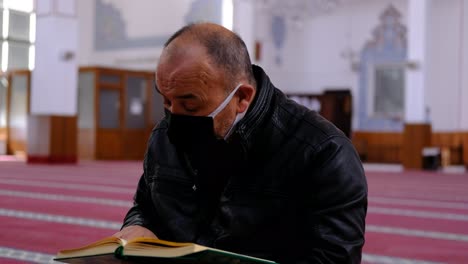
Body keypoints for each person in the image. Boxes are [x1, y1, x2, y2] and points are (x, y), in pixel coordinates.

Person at [114, 22, 367, 263]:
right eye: (167, 102)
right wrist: (138, 226)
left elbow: (335, 257)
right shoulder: (163, 136)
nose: (173, 118)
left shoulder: (323, 153)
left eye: (190, 106)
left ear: (242, 97)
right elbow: (146, 205)